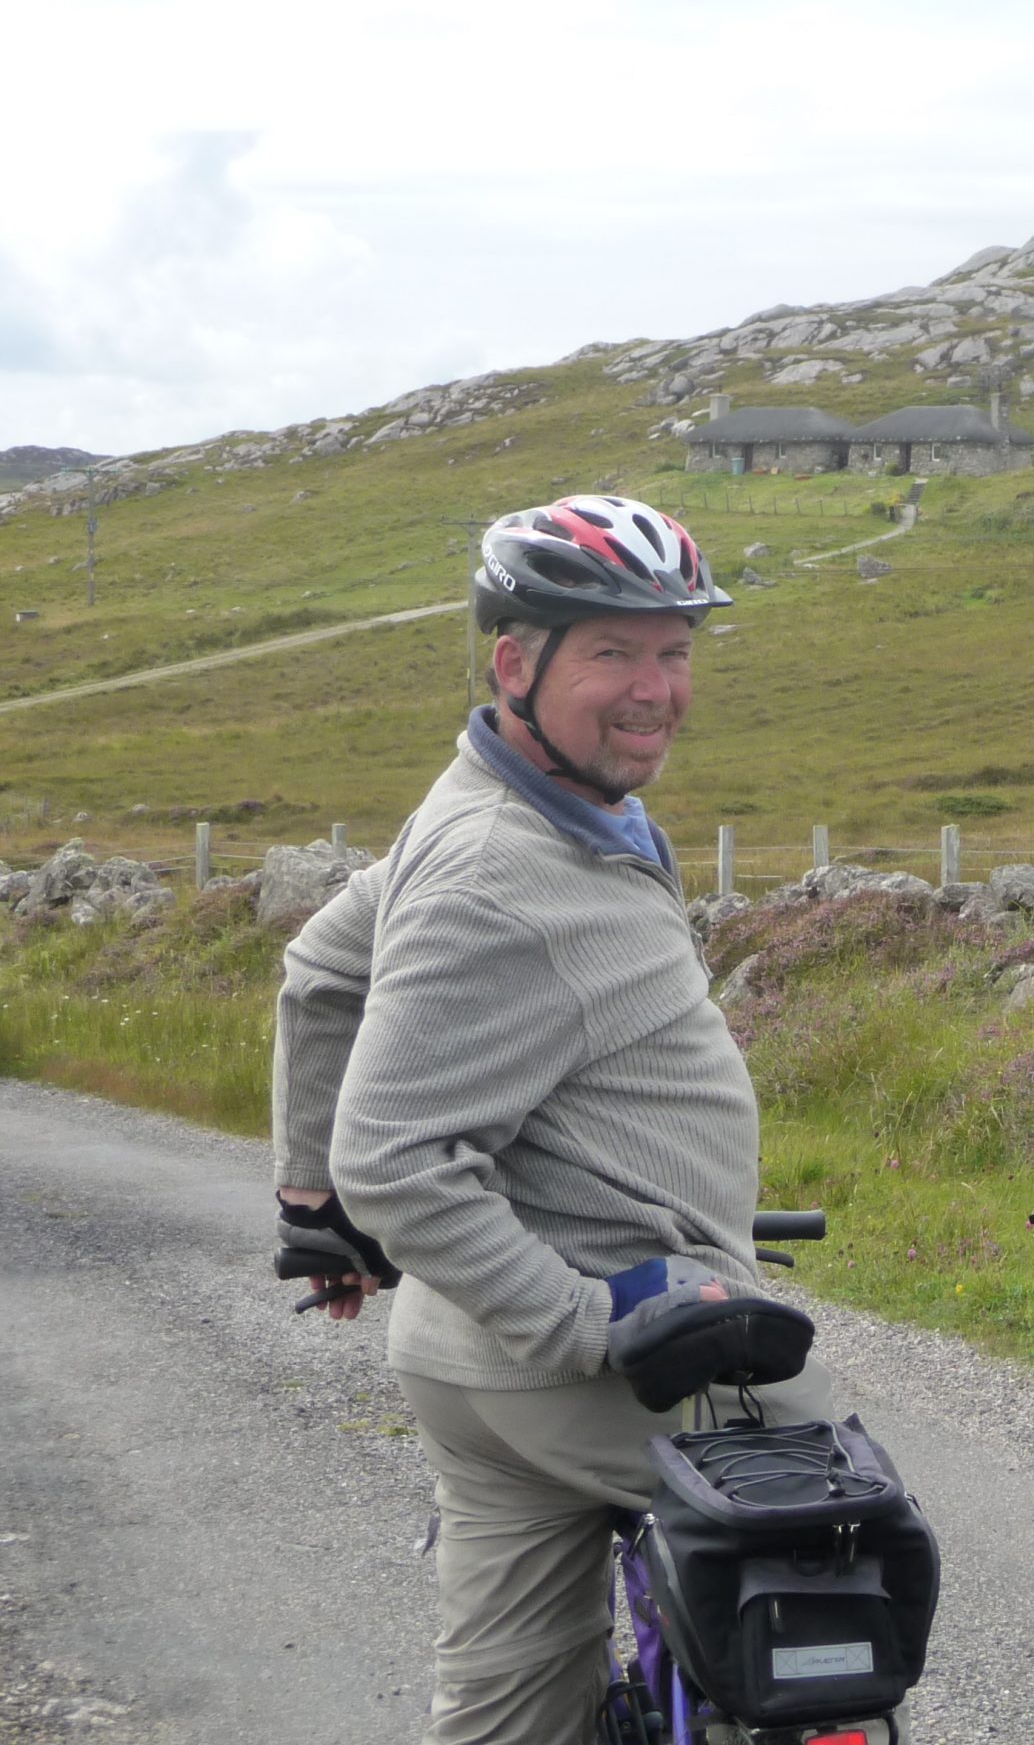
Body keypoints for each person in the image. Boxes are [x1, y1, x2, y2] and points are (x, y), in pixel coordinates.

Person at [270, 493, 833, 1745]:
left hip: (468, 1363)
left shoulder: (494, 806)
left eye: (674, 650)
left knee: (505, 1713)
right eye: (612, 652)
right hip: (599, 1357)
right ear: (514, 665)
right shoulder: (497, 871)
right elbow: (396, 1158)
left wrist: (313, 1206)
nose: (654, 689)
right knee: (839, 1548)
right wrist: (593, 1327)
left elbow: (320, 972)